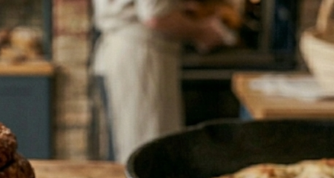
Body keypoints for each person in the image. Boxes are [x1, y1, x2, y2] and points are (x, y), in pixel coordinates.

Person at [92, 0, 234, 163]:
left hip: (123, 54)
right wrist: (203, 31)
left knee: (127, 151)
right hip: (142, 59)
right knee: (147, 155)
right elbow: (156, 17)